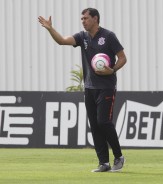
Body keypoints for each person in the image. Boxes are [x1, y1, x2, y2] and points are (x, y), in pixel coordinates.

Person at [38, 8, 127, 172]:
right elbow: (62, 41)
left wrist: (112, 70)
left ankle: (119, 157)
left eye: (85, 18)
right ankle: (103, 163)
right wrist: (50, 29)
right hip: (89, 88)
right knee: (94, 125)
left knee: (103, 122)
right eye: (82, 19)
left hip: (106, 87)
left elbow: (122, 58)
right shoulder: (82, 36)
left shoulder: (109, 36)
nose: (83, 21)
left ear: (95, 19)